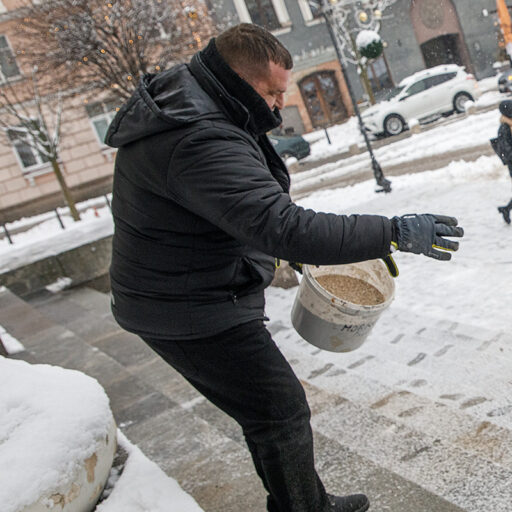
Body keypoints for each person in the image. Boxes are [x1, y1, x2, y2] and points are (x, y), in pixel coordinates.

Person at [105, 23, 463, 512]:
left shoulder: (197, 102)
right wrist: (392, 231)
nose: (277, 105)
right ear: (237, 78)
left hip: (187, 287)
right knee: (280, 411)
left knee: (269, 413)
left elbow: (236, 213)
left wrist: (298, 246)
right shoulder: (197, 137)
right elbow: (281, 224)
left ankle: (304, 502)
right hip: (187, 306)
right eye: (271, 92)